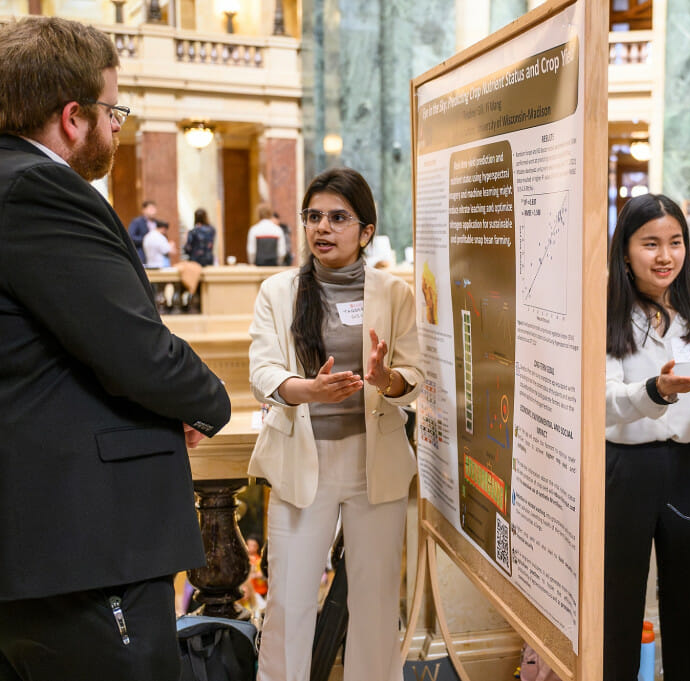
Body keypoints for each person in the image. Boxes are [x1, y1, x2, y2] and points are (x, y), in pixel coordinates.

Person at [0, 16, 231, 681]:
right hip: (81, 545)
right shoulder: (39, 190)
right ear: (72, 117)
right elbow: (133, 348)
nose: (117, 124)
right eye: (112, 108)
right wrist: (205, 400)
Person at [248, 167, 422, 681]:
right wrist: (308, 390)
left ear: (366, 231)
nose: (322, 228)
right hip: (304, 462)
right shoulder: (278, 292)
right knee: (288, 604)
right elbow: (263, 372)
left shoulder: (395, 294)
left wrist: (386, 378)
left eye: (338, 218)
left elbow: (415, 378)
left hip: (376, 464)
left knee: (374, 603)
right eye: (314, 216)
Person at [604, 193, 690, 681]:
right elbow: (603, 400)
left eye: (675, 243)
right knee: (615, 604)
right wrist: (655, 391)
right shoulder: (606, 317)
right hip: (622, 469)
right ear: (625, 252)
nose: (665, 256)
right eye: (650, 243)